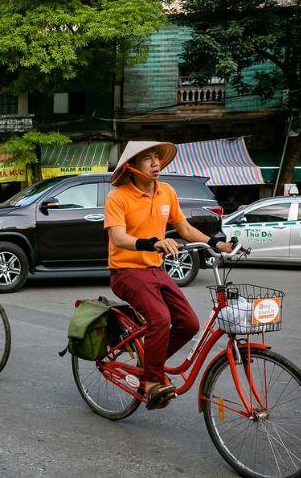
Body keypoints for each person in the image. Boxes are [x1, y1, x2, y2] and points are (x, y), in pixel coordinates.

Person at [104, 141, 232, 410]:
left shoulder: (167, 192)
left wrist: (215, 244)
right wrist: (152, 243)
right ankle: (151, 382)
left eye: (156, 159)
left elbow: (184, 228)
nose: (155, 164)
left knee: (189, 323)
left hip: (155, 270)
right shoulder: (118, 197)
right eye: (148, 159)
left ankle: (151, 360)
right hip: (126, 271)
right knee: (160, 318)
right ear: (131, 167)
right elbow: (119, 237)